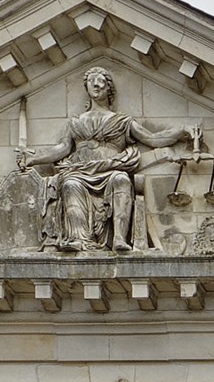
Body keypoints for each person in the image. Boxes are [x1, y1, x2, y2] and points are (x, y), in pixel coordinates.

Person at [16, 67, 199, 253]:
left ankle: (119, 238)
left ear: (108, 88)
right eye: (91, 81)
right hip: (80, 171)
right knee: (70, 184)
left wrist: (182, 131)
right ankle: (78, 239)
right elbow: (62, 148)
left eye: (100, 81)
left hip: (112, 168)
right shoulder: (76, 122)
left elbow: (153, 139)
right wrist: (34, 158)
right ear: (86, 87)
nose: (96, 84)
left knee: (121, 180)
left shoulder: (122, 121)